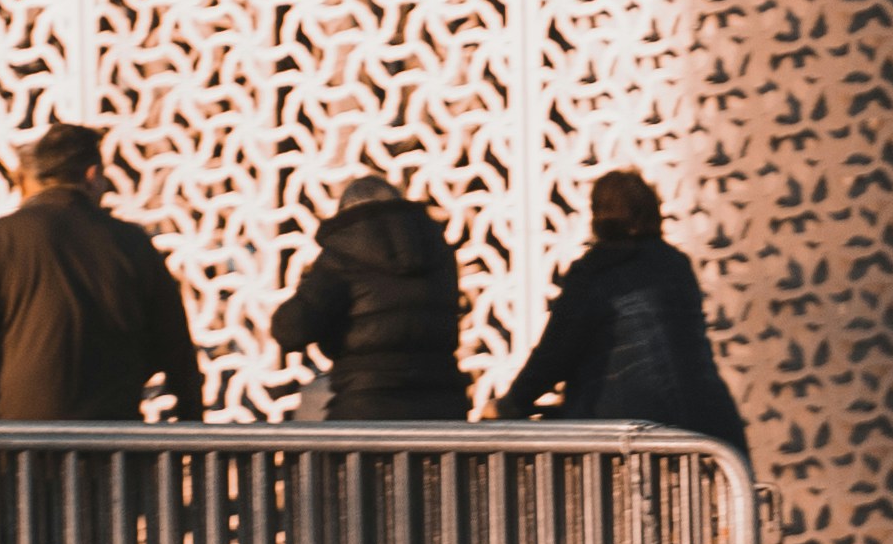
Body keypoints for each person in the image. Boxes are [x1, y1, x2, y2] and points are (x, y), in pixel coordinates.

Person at [0, 124, 203, 423]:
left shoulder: (4, 236)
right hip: (112, 442)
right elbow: (175, 342)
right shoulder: (131, 242)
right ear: (92, 174)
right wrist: (191, 417)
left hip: (22, 438)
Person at [495, 169, 748, 446]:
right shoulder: (676, 265)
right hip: (709, 428)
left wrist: (509, 405)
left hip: (632, 433)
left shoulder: (595, 273)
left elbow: (554, 356)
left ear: (598, 216)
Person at [269, 173, 467, 421]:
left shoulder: (344, 253)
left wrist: (310, 286)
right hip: (445, 411)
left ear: (347, 213)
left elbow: (290, 330)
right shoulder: (440, 253)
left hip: (367, 411)